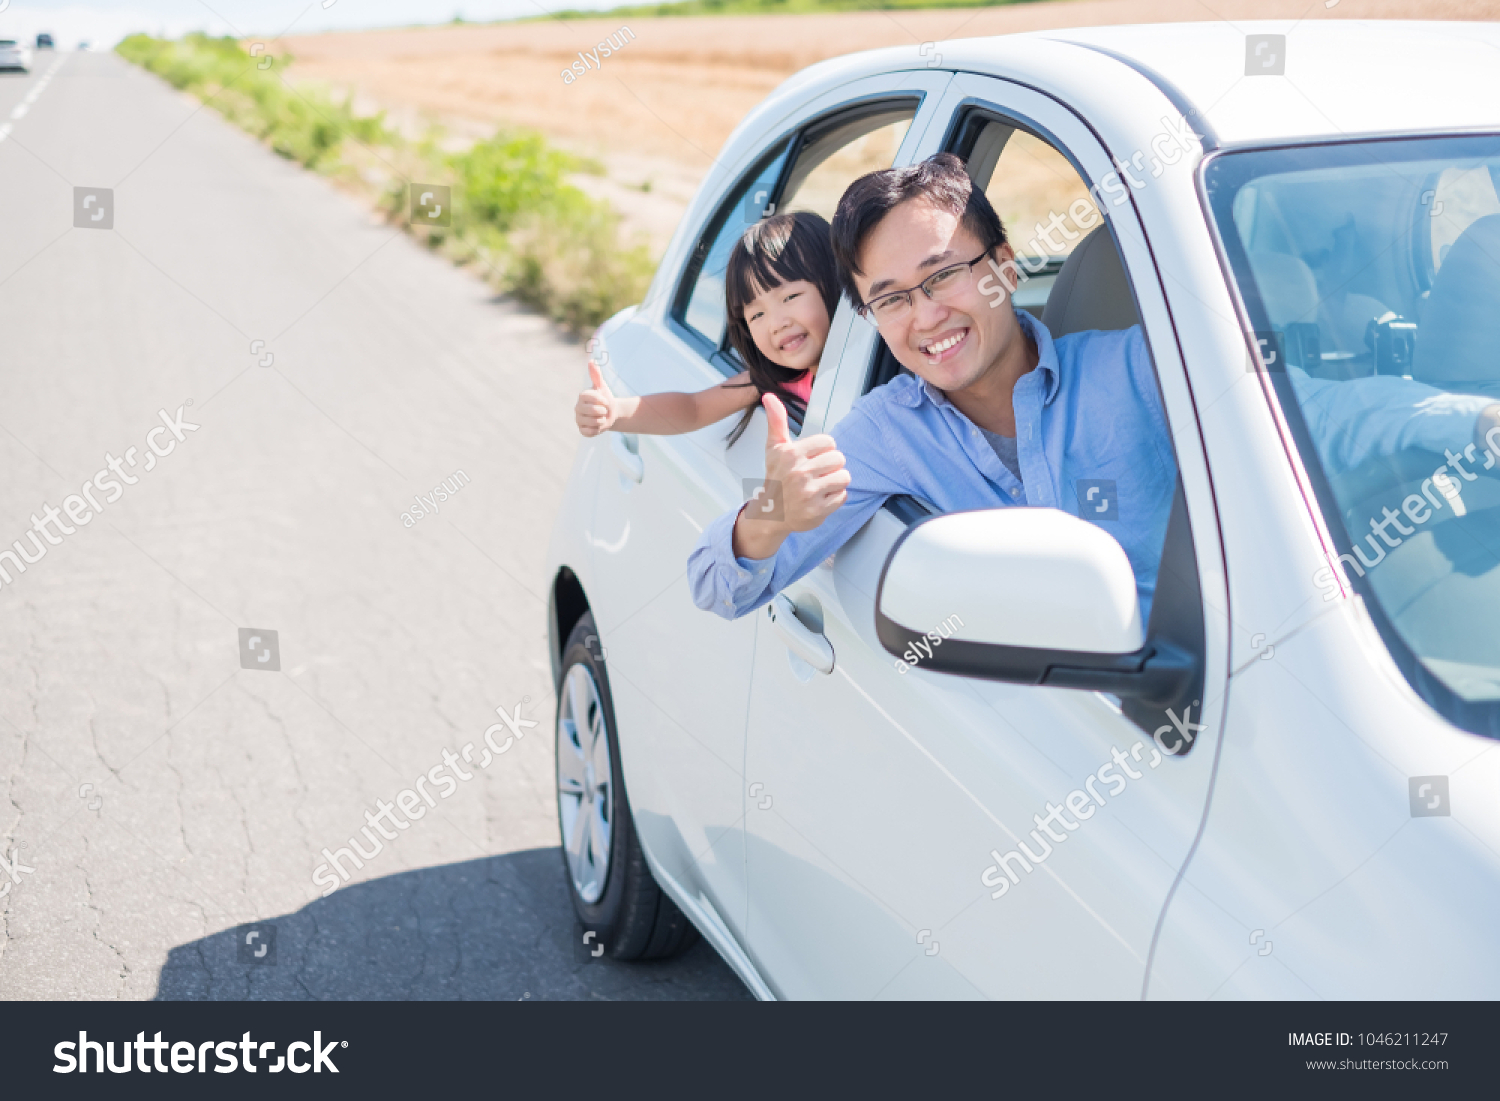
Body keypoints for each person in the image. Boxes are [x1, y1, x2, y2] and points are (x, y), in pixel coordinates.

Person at [687, 153, 1500, 623]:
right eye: (890, 298)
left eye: (944, 277)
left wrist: (1474, 424)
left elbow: (1319, 416)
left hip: (1199, 712)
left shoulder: (1138, 370)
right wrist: (768, 518)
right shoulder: (882, 433)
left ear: (1006, 268)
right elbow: (715, 587)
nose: (924, 316)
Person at [574, 212, 838, 446]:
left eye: (790, 297)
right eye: (757, 314)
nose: (777, 323)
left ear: (836, 282)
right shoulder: (775, 380)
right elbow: (694, 408)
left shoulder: (875, 367)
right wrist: (616, 412)